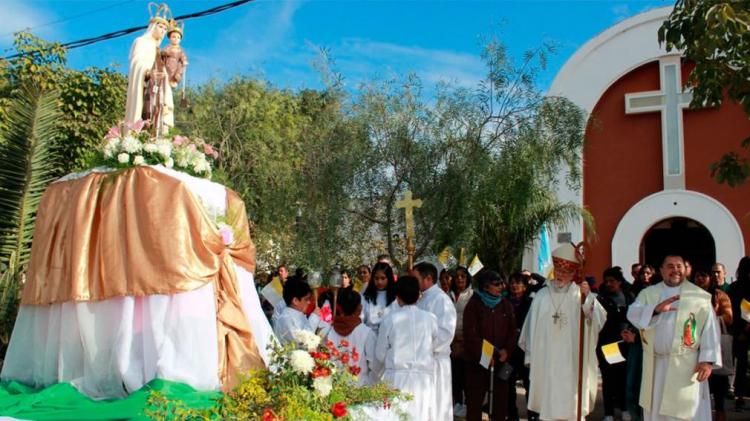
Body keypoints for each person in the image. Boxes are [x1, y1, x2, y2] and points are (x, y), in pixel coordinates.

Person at [627, 255, 721, 421]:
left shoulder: (699, 296)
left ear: (685, 270)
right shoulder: (648, 294)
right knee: (657, 412)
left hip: (687, 365)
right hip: (655, 365)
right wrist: (655, 310)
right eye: (670, 266)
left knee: (686, 412)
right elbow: (632, 313)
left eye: (679, 266)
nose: (675, 270)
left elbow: (710, 329)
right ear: (662, 270)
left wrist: (707, 361)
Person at [519, 243, 606, 420]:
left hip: (572, 360)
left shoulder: (579, 295)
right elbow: (530, 328)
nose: (560, 275)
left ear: (574, 274)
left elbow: (598, 319)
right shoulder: (542, 296)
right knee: (549, 402)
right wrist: (532, 354)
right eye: (558, 270)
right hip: (547, 359)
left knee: (571, 403)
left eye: (565, 272)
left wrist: (588, 298)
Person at [375, 275, 438, 421]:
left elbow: (380, 354)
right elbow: (433, 346)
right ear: (418, 295)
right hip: (423, 380)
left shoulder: (389, 320)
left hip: (397, 378)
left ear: (397, 298)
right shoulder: (431, 319)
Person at [462, 270, 517, 421]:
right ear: (485, 287)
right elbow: (471, 334)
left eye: (501, 283)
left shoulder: (505, 305)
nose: (501, 287)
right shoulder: (473, 305)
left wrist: (507, 350)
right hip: (477, 363)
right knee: (474, 402)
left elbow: (513, 331)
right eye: (497, 284)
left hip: (500, 361)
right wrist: (486, 356)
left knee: (500, 403)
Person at [413, 261, 457, 421]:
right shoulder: (421, 298)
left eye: (416, 278)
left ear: (428, 278)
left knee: (436, 405)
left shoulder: (441, 300)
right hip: (422, 360)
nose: (413, 282)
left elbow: (445, 333)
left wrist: (422, 347)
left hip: (435, 360)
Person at [596, 267, 635, 421]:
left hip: (626, 344)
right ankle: (609, 412)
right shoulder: (601, 299)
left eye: (612, 281)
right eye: (606, 281)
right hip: (609, 345)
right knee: (609, 378)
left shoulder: (628, 296)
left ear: (619, 282)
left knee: (624, 377)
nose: (609, 284)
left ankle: (625, 408)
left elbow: (634, 318)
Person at [694, 269, 733, 421]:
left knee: (718, 394)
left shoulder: (719, 295)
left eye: (703, 275)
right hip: (694, 346)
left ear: (709, 278)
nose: (700, 279)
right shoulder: (690, 295)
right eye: (697, 275)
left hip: (715, 344)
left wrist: (709, 320)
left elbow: (729, 317)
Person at [124, 11, 169, 129]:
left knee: (155, 114)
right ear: (152, 26)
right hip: (143, 84)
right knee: (142, 110)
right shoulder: (141, 41)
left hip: (156, 87)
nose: (163, 30)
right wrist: (147, 72)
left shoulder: (159, 50)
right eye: (160, 26)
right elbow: (135, 62)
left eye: (165, 29)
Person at [326, 289, 379, 385]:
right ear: (359, 308)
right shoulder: (366, 332)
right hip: (359, 388)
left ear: (338, 307)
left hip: (334, 387)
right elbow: (376, 366)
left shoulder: (328, 330)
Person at [507, 272, 535, 421]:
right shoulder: (504, 302)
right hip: (509, 351)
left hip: (525, 350)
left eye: (518, 283)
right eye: (512, 282)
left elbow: (543, 284)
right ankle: (512, 414)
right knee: (508, 383)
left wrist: (532, 274)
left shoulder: (531, 302)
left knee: (528, 384)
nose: (514, 285)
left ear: (525, 286)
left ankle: (532, 415)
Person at [273, 278, 329, 344]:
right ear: (295, 301)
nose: (309, 302)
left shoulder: (297, 314)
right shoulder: (286, 319)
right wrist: (314, 317)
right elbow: (302, 343)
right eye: (306, 299)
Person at [728, 256, 750, 411]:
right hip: (741, 331)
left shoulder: (734, 287)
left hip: (741, 331)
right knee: (741, 365)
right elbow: (733, 310)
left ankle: (740, 397)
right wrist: (742, 329)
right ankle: (740, 397)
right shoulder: (735, 288)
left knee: (741, 365)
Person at [451, 266, 474, 417]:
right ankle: (456, 404)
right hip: (451, 343)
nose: (460, 279)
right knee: (455, 377)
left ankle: (468, 405)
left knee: (468, 378)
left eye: (463, 276)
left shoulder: (473, 296)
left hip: (467, 343)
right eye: (457, 276)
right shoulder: (447, 295)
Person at [361, 262, 396, 335]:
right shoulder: (366, 297)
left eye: (383, 278)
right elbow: (361, 319)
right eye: (376, 278)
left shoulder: (396, 297)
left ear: (389, 278)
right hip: (370, 337)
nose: (379, 282)